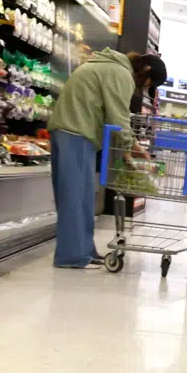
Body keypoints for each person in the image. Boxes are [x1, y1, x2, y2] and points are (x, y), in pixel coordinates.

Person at [46, 50, 163, 269]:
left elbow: (114, 115)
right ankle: (71, 256)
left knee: (81, 197)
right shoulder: (120, 73)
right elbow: (118, 116)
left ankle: (84, 251)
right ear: (146, 71)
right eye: (148, 83)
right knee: (75, 197)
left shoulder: (108, 65)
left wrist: (131, 150)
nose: (144, 88)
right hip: (76, 131)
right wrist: (132, 150)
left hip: (72, 129)